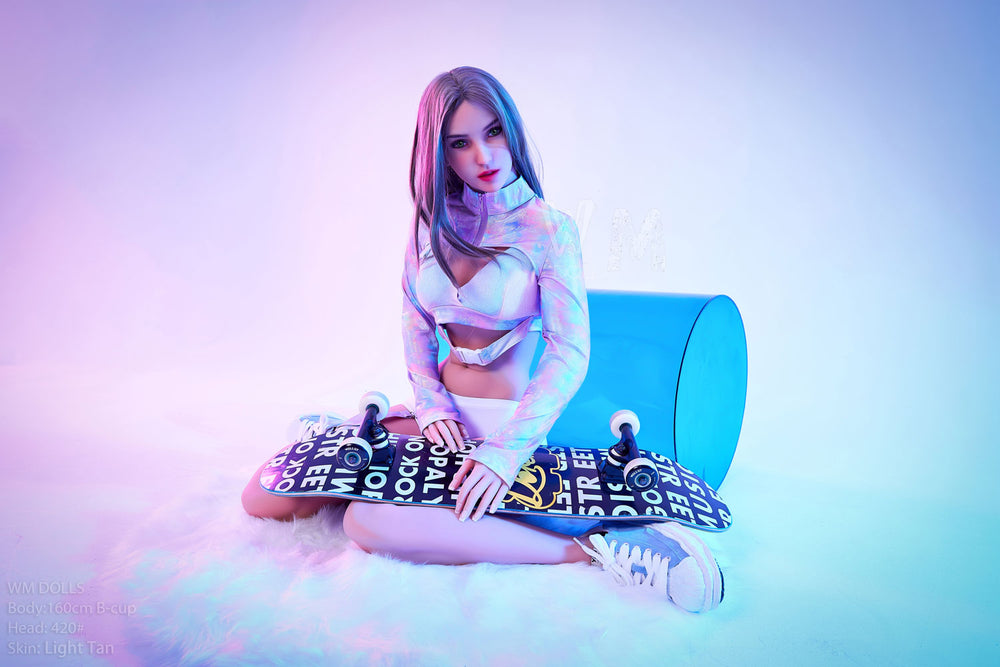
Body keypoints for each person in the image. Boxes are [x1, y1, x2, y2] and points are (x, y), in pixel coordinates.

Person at [242, 66, 723, 612]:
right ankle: (358, 428)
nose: (483, 155)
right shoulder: (430, 223)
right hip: (437, 419)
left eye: (493, 132)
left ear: (511, 130)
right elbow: (415, 320)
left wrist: (507, 450)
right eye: (460, 143)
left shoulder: (550, 229)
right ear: (439, 154)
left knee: (366, 521)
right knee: (264, 495)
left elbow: (569, 351)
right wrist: (429, 402)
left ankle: (590, 550)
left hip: (505, 424)